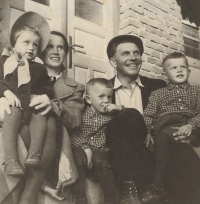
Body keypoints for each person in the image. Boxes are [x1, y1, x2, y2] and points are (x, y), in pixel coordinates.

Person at [105, 35, 200, 204]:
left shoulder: (158, 87)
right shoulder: (101, 89)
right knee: (131, 114)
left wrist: (190, 135)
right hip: (123, 155)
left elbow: (187, 115)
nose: (133, 57)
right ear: (113, 62)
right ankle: (130, 189)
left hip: (158, 149)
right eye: (126, 53)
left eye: (137, 53)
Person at [0, 29, 85, 204]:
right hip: (17, 126)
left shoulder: (75, 86)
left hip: (50, 138)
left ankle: (32, 188)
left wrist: (53, 105)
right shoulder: (9, 64)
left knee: (50, 123)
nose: (55, 51)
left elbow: (75, 120)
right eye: (51, 47)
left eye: (61, 48)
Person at [0, 13, 55, 176]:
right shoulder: (4, 62)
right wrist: (5, 92)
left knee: (40, 113)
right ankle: (11, 161)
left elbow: (47, 89)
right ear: (14, 44)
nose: (31, 48)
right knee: (12, 110)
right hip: (13, 105)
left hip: (31, 108)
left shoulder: (39, 68)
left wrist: (40, 96)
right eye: (26, 43)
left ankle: (34, 153)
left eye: (36, 45)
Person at [142, 52, 200, 203]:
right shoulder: (157, 94)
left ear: (189, 71)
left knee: (191, 162)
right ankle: (158, 184)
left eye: (183, 67)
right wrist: (148, 131)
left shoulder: (197, 91)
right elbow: (148, 115)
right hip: (165, 126)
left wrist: (190, 125)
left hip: (188, 127)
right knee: (162, 138)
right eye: (173, 68)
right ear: (165, 73)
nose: (179, 70)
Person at [71, 78, 123, 204]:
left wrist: (119, 108)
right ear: (89, 99)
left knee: (103, 164)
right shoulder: (81, 113)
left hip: (101, 150)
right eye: (101, 97)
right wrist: (85, 147)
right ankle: (80, 198)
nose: (106, 101)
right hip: (82, 147)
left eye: (109, 97)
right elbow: (74, 132)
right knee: (78, 160)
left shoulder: (112, 115)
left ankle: (110, 199)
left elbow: (129, 117)